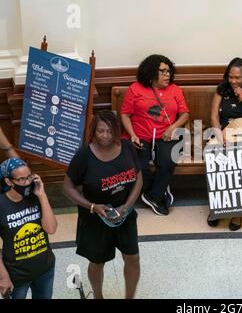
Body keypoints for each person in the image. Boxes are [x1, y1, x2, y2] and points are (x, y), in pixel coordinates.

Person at [63, 110, 143, 299]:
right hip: (95, 218)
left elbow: (138, 179)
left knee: (133, 257)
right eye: (100, 131)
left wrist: (126, 207)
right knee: (97, 262)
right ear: (94, 131)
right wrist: (92, 206)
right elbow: (67, 188)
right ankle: (98, 297)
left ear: (116, 131)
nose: (105, 136)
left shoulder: (127, 148)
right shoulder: (84, 154)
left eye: (109, 131)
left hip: (124, 214)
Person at [120, 54, 190, 216]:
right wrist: (132, 135)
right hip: (140, 136)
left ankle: (153, 196)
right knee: (140, 166)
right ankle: (161, 192)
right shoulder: (135, 89)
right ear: (151, 72)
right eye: (163, 71)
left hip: (166, 136)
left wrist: (173, 128)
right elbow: (125, 115)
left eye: (169, 71)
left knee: (168, 159)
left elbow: (185, 114)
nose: (168, 75)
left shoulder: (175, 89)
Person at [207, 57, 242, 231]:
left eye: (237, 78)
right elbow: (214, 117)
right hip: (223, 134)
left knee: (240, 157)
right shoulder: (221, 90)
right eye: (230, 77)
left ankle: (237, 211)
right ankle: (217, 208)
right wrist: (219, 137)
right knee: (215, 156)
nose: (233, 81)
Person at [0, 158, 57, 299]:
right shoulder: (1, 205)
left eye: (29, 177)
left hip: (45, 268)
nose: (27, 182)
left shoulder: (36, 196)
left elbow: (51, 229)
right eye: (21, 179)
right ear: (8, 182)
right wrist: (3, 276)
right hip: (17, 274)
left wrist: (42, 195)